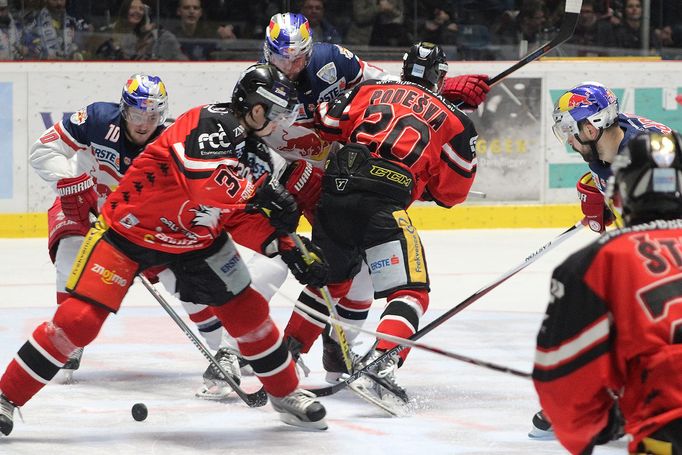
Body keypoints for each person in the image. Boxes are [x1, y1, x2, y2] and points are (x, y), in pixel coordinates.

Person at [0, 63, 330, 436]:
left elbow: (235, 215)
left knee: (249, 312)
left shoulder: (255, 153)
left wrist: (285, 246)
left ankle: (285, 393)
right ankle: (5, 396)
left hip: (196, 241)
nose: (280, 123)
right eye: (276, 114)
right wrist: (257, 192)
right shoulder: (209, 120)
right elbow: (200, 179)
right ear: (256, 109)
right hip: (129, 232)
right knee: (78, 320)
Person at [285, 41, 478, 412]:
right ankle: (381, 364)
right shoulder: (457, 121)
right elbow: (453, 192)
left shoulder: (367, 90)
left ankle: (286, 357)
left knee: (329, 282)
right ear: (440, 77)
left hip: (333, 196)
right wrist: (421, 180)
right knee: (412, 292)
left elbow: (326, 122)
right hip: (383, 204)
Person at [528, 81, 672, 439]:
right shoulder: (608, 149)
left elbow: (660, 218)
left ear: (590, 127)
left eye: (570, 132)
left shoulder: (643, 152)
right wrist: (599, 191)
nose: (569, 142)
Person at [28, 73, 169, 380]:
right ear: (123, 109)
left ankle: (224, 347)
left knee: (182, 271)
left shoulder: (170, 141)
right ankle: (67, 336)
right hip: (81, 206)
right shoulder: (96, 119)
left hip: (135, 222)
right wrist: (73, 183)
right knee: (70, 250)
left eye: (153, 115)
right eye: (136, 114)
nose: (144, 124)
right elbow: (41, 151)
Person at [21, 0, 90, 60]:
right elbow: (24, 49)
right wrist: (43, 56)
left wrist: (77, 53)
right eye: (54, 0)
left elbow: (88, 41)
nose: (59, 3)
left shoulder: (74, 20)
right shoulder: (34, 21)